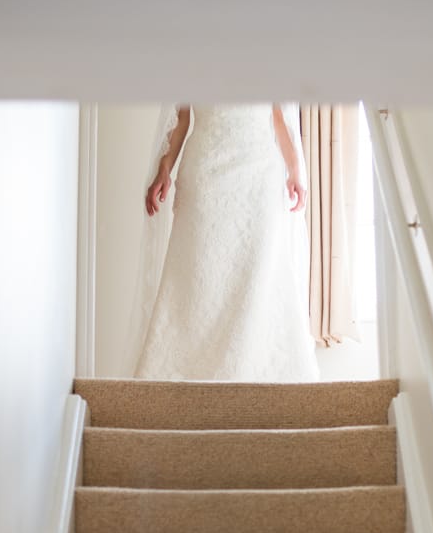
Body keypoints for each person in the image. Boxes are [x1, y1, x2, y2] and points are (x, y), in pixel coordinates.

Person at [129, 104, 320, 382]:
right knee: (200, 278)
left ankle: (250, 376)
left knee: (260, 275)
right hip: (206, 171)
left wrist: (295, 170)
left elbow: (279, 115)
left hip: (259, 175)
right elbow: (181, 116)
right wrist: (164, 168)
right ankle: (189, 376)